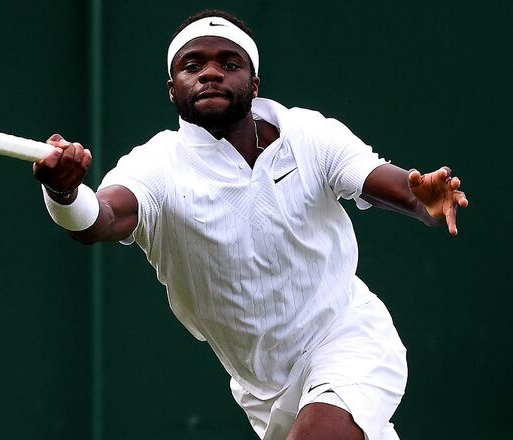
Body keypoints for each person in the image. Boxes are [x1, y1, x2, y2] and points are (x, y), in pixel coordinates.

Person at [32, 9, 468, 440]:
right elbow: (97, 220)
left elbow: (391, 185)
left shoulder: (309, 135)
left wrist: (422, 199)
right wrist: (65, 193)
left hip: (348, 339)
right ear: (172, 90)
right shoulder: (156, 166)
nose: (210, 74)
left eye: (228, 63)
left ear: (254, 83)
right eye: (192, 65)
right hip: (263, 391)